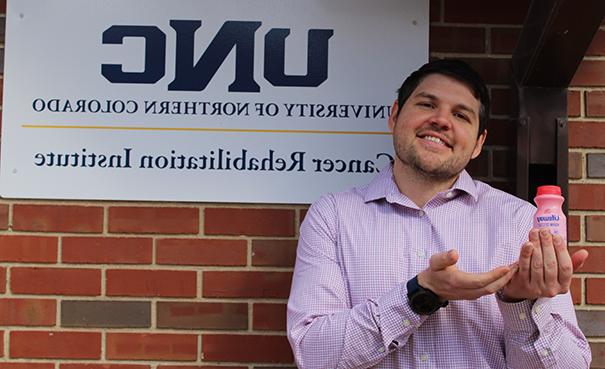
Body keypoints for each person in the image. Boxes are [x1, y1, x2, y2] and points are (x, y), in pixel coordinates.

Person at [286, 59, 591, 368]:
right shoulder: (334, 216)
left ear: (478, 143)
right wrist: (419, 295)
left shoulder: (519, 222)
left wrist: (521, 303)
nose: (442, 120)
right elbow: (313, 355)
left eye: (460, 115)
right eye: (427, 104)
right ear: (394, 115)